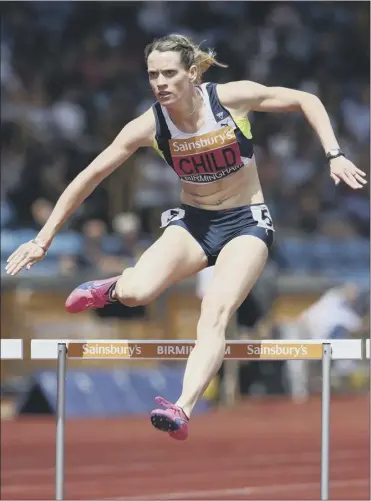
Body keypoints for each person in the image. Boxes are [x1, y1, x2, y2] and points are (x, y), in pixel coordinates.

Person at [6, 34, 367, 441]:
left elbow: (305, 99)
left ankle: (182, 407)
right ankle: (115, 287)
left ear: (192, 73)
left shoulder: (229, 99)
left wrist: (334, 154)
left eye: (169, 73)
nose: (160, 82)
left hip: (245, 223)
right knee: (138, 293)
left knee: (214, 314)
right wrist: (43, 238)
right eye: (152, 75)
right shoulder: (150, 124)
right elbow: (89, 177)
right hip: (193, 224)